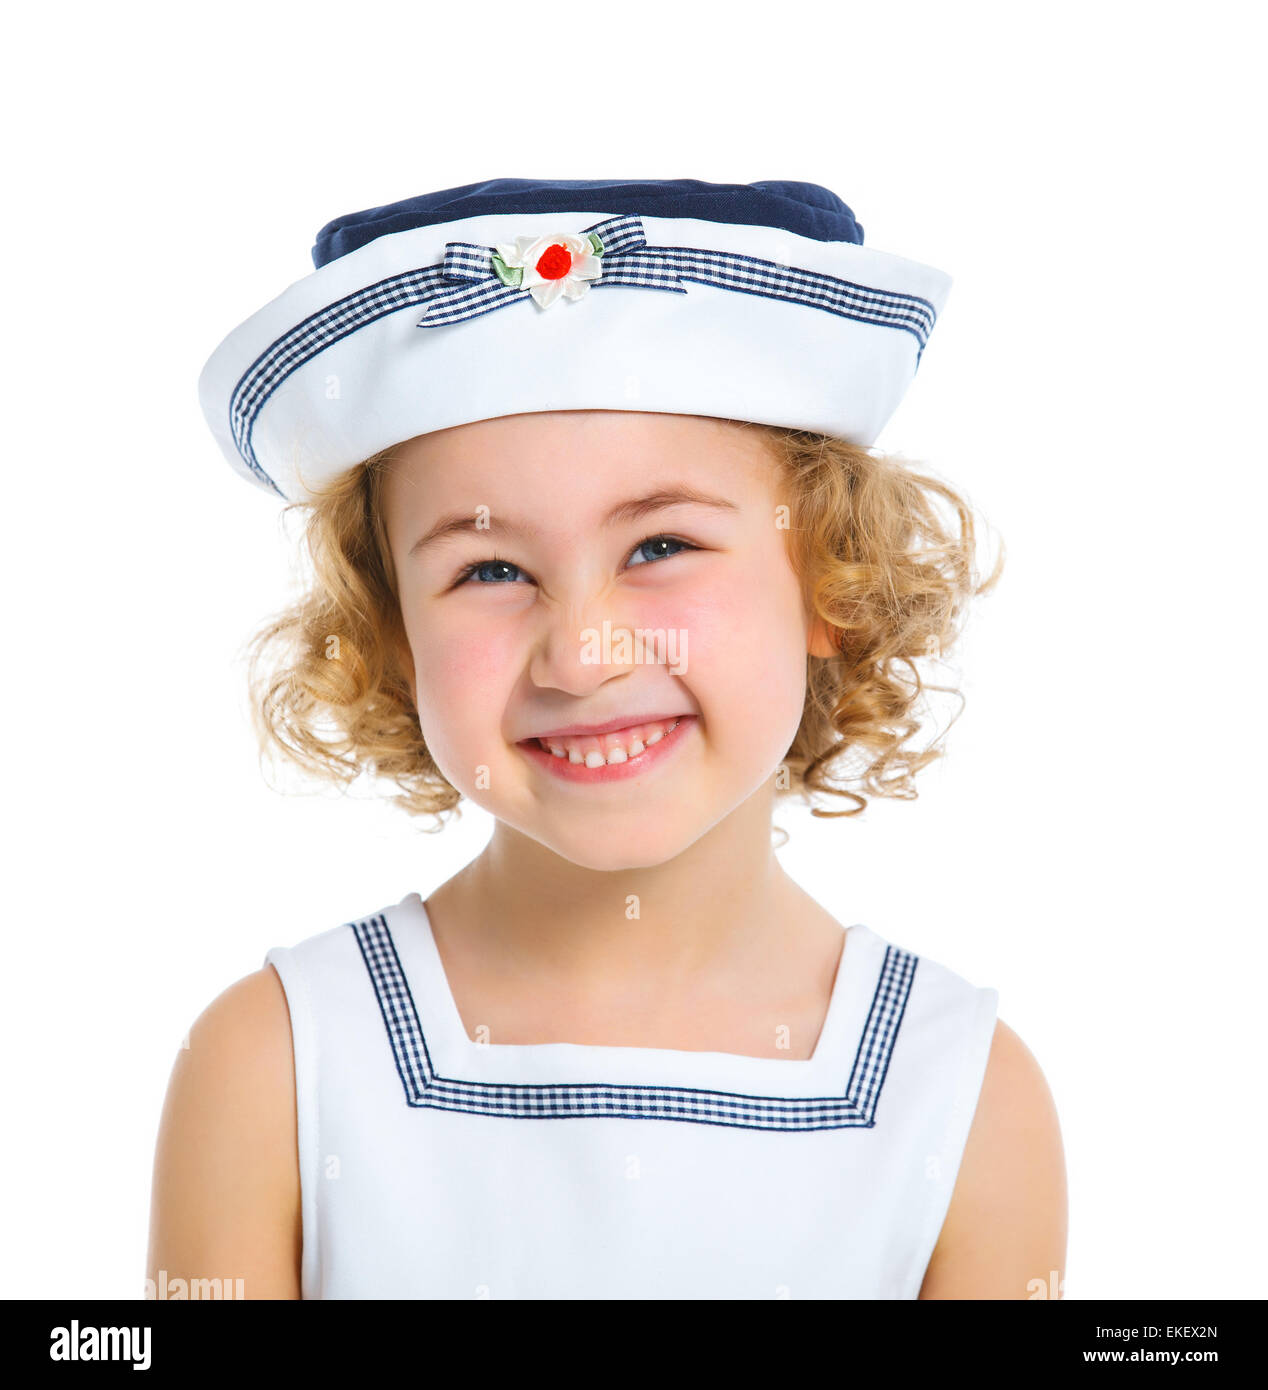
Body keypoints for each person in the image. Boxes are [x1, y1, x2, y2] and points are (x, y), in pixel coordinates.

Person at [148, 178, 1066, 1299]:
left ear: (831, 577)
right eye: (490, 569)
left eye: (660, 547)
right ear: (392, 634)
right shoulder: (276, 1067)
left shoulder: (961, 1097)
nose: (582, 657)